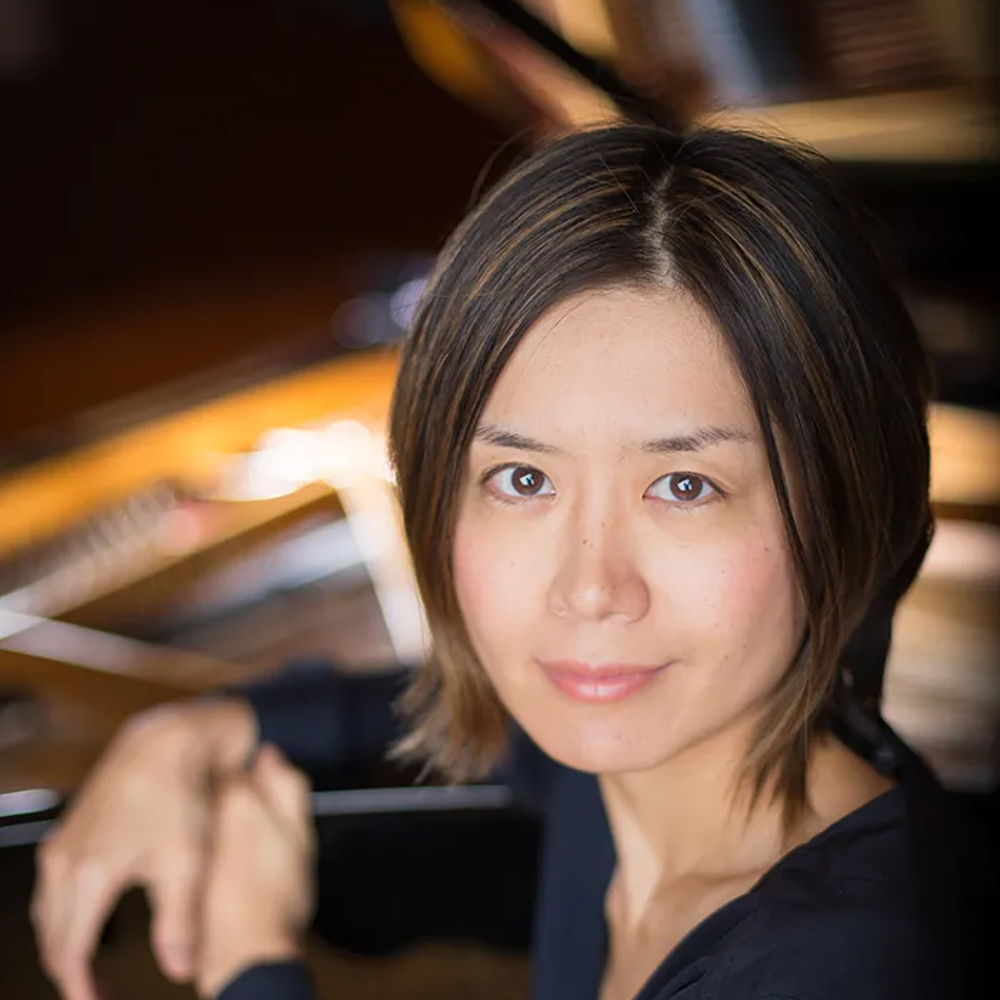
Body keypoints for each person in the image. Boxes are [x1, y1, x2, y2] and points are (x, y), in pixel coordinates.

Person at [31, 123, 992, 1000]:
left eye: (684, 485)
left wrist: (251, 961)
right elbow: (446, 713)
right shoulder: (625, 756)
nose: (588, 589)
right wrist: (197, 728)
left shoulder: (846, 966)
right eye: (523, 479)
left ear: (847, 506)